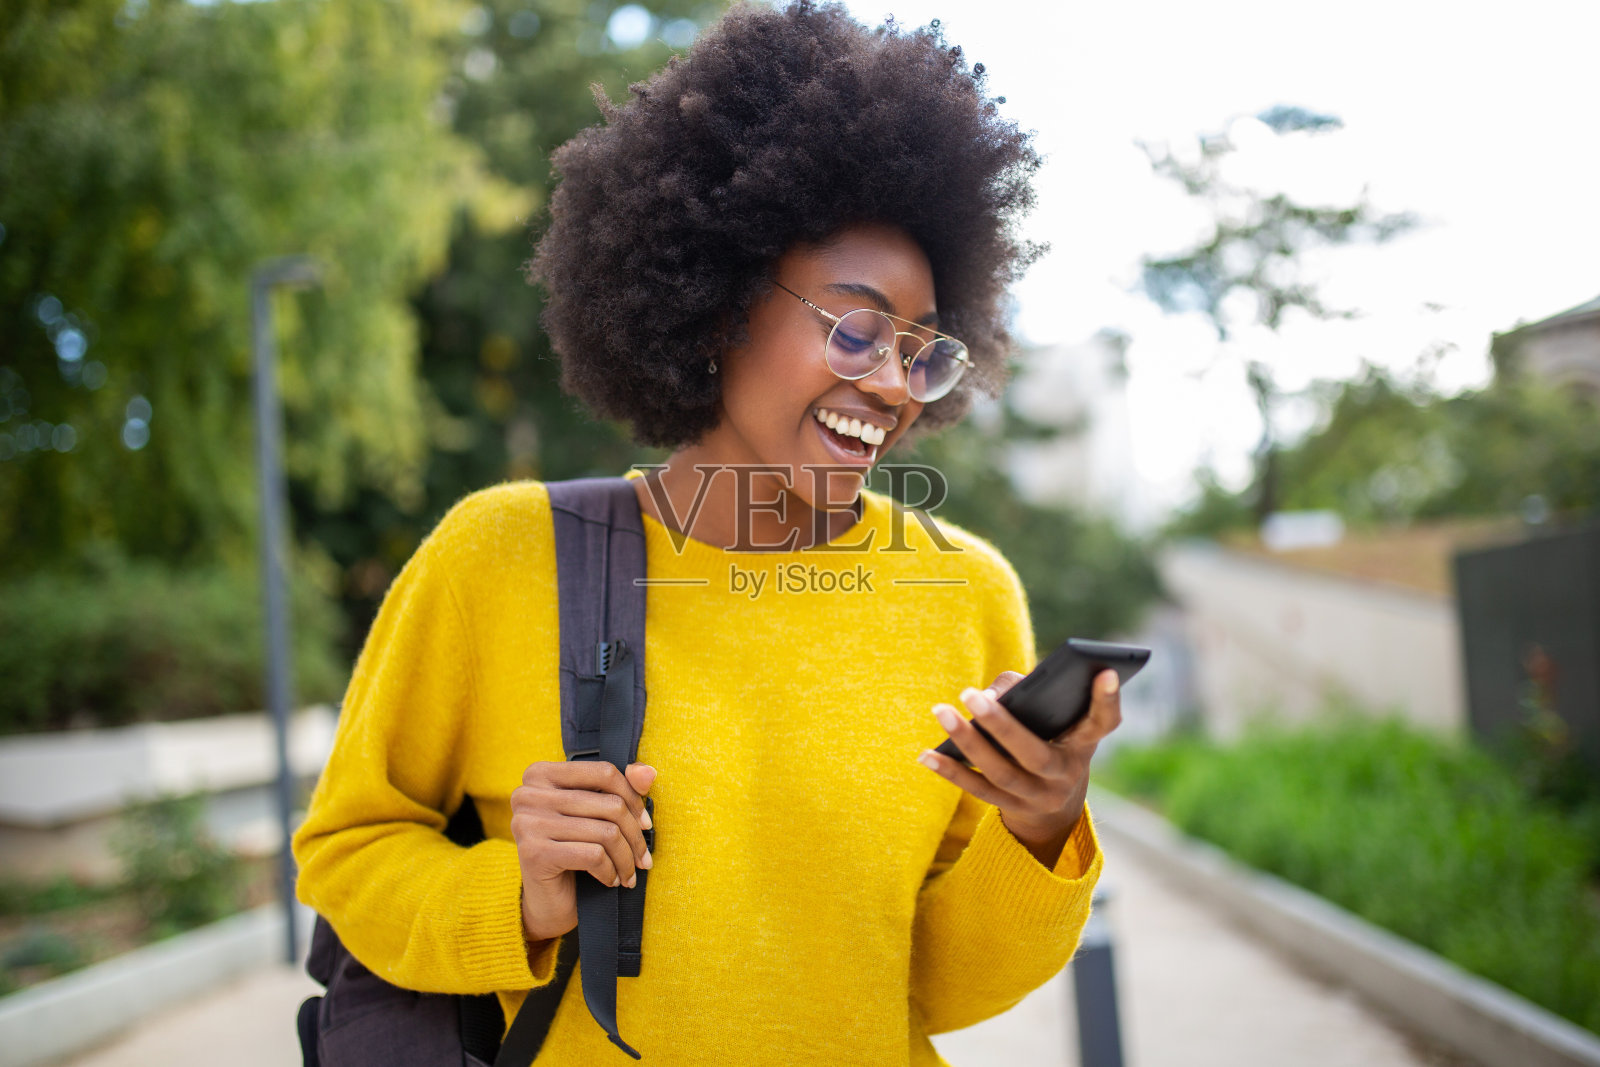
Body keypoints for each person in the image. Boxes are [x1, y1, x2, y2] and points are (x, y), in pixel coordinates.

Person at [292, 3, 1121, 1064]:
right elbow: (346, 853)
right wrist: (520, 894)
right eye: (856, 327)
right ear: (718, 302)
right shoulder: (496, 556)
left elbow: (935, 985)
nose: (888, 384)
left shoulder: (964, 595)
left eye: (921, 352)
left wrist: (1039, 828)